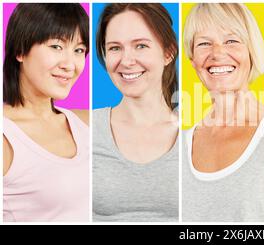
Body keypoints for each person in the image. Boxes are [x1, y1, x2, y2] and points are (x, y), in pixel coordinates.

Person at [182, 3, 264, 222]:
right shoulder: (180, 145)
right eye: (204, 43)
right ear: (193, 61)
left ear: (251, 51)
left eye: (231, 40)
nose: (217, 53)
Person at [3, 3, 89, 222]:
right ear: (21, 50)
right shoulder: (6, 138)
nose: (70, 65)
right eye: (56, 47)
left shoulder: (86, 122)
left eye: (78, 50)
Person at [92, 3, 179, 222]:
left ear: (168, 52)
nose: (127, 61)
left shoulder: (195, 132)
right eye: (114, 48)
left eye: (140, 46)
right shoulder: (86, 127)